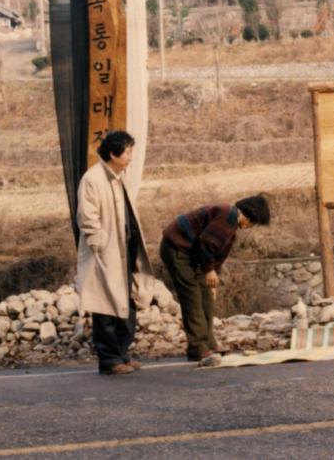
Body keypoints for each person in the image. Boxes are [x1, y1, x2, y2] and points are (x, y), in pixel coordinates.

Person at [76, 130, 155, 375]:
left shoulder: (119, 177)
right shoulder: (93, 179)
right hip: (107, 252)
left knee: (126, 303)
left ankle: (122, 353)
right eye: (128, 151)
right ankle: (109, 360)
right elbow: (87, 217)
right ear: (113, 153)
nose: (131, 156)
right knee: (106, 307)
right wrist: (100, 243)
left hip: (124, 250)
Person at [160, 195, 271, 367]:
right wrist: (209, 270)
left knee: (206, 298)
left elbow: (217, 254)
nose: (250, 227)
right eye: (253, 223)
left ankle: (208, 342)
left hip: (193, 254)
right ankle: (198, 347)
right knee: (192, 297)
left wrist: (213, 278)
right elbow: (207, 242)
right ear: (249, 216)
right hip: (177, 249)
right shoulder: (228, 217)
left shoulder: (231, 224)